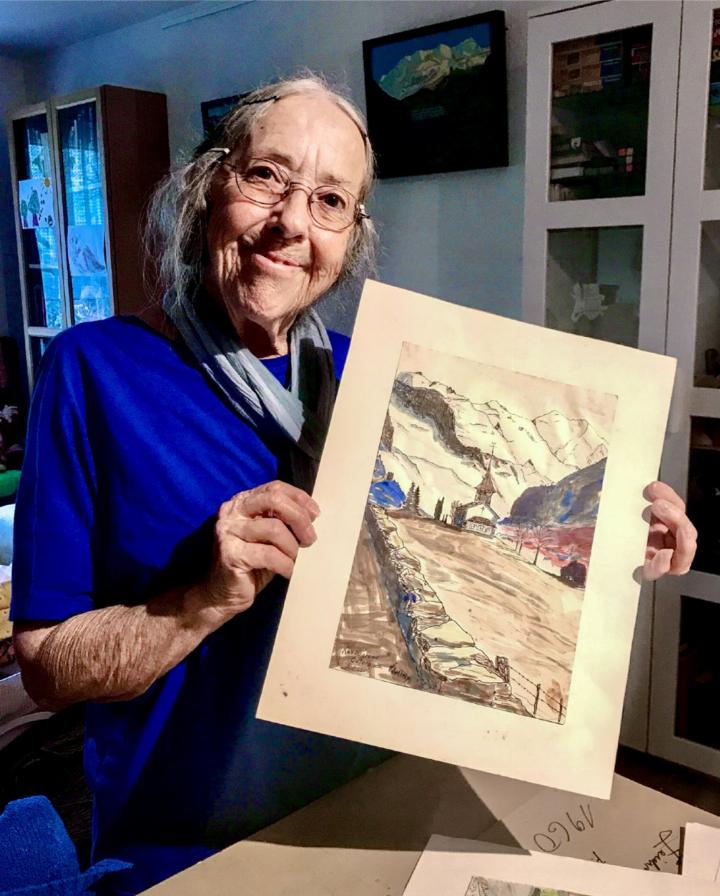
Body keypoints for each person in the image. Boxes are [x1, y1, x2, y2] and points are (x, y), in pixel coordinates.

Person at [10, 75, 696, 895]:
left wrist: (614, 538)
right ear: (207, 186)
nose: (292, 223)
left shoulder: (372, 374)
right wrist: (197, 601)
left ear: (352, 236)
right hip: (187, 845)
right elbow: (47, 667)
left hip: (386, 810)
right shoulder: (94, 371)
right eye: (267, 177)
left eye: (331, 200)